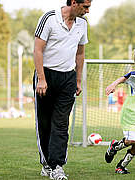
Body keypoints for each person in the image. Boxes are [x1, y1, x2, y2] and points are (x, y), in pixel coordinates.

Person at [33, 0, 91, 179]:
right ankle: (46, 164)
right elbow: (37, 50)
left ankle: (57, 166)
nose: (88, 11)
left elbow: (80, 53)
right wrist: (41, 79)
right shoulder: (49, 18)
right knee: (44, 123)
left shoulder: (82, 23)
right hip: (46, 76)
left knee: (61, 123)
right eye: (85, 6)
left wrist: (78, 80)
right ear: (74, 2)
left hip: (68, 78)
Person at [105, 48, 135, 174]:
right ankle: (114, 146)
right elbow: (123, 78)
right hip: (131, 116)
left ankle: (121, 166)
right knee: (132, 140)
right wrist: (113, 85)